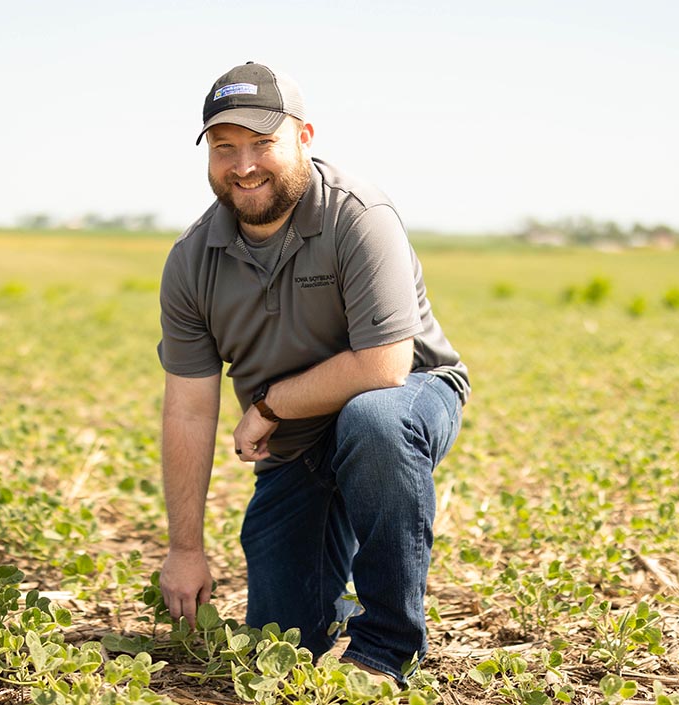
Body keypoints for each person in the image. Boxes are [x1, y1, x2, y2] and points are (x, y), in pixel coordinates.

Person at [156, 61, 470, 684]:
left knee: (373, 421)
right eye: (225, 148)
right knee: (283, 636)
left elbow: (385, 365)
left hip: (407, 397)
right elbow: (189, 407)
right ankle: (338, 604)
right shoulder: (192, 261)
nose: (243, 164)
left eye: (262, 143)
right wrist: (185, 549)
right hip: (297, 448)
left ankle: (386, 645)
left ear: (304, 137)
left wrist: (269, 407)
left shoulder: (358, 215)